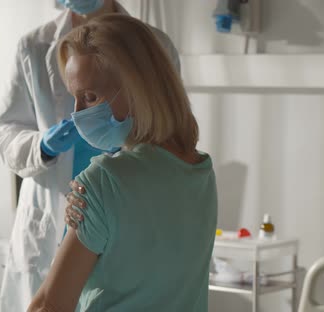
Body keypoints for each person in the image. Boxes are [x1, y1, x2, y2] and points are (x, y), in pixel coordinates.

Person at [0, 0, 181, 310]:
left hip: (124, 208)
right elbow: (6, 130)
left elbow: (166, 120)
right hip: (57, 217)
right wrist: (42, 146)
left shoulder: (155, 45)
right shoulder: (35, 46)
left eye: (90, 98)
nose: (80, 112)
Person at [28, 14, 217, 312]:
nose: (77, 114)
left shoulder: (103, 180)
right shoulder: (201, 171)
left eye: (89, 97)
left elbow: (50, 307)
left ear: (136, 89)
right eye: (75, 99)